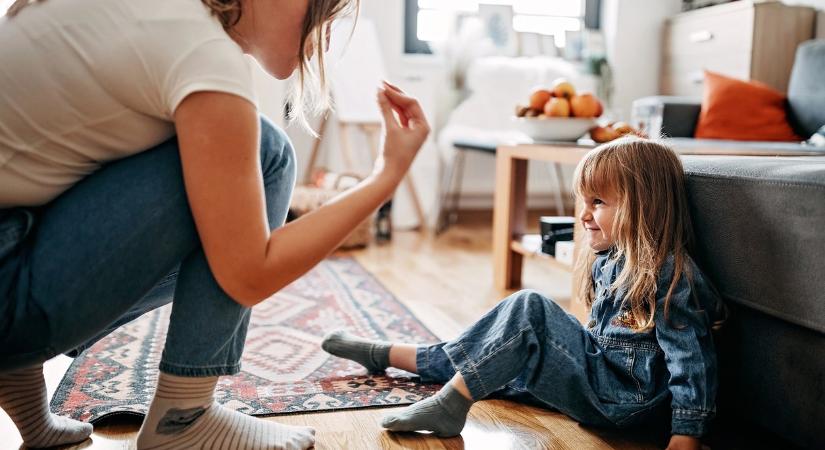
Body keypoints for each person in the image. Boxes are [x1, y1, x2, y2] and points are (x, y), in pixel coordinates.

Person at [0, 0, 430, 448]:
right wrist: (386, 176)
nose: (325, 36)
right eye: (321, 12)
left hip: (14, 240)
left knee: (219, 180)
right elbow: (249, 274)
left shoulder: (160, 15)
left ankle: (20, 384)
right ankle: (183, 420)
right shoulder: (199, 50)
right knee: (267, 154)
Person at [323, 137, 726, 450]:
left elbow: (691, 359)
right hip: (602, 379)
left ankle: (451, 404)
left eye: (598, 202)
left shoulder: (668, 274)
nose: (583, 214)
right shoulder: (612, 257)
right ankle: (389, 354)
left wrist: (686, 435)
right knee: (494, 352)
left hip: (623, 399)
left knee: (528, 308)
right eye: (582, 201)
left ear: (644, 206)